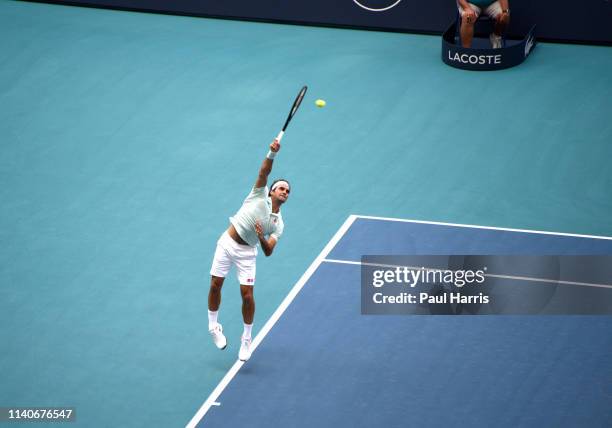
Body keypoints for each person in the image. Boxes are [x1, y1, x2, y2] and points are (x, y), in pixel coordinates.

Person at [207, 138, 289, 362]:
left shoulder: (278, 224)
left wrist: (262, 236)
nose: (285, 191)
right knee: (215, 285)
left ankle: (246, 339)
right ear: (271, 191)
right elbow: (264, 171)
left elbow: (269, 251)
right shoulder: (258, 194)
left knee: (248, 297)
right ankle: (213, 327)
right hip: (227, 243)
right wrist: (271, 153)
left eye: (287, 191)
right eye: (281, 188)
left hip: (247, 254)